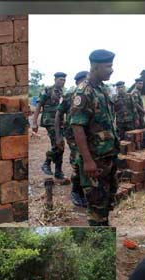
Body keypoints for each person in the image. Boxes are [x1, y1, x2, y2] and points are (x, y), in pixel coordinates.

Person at [70, 49, 119, 226]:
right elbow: (77, 127)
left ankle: (103, 227)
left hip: (107, 157)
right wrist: (88, 161)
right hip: (95, 160)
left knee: (105, 203)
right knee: (96, 206)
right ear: (96, 67)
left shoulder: (102, 89)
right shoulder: (84, 92)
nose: (112, 70)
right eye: (108, 66)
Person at [55, 70, 88, 207]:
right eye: (84, 80)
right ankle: (76, 191)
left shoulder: (90, 94)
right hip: (72, 134)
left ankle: (83, 189)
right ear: (77, 81)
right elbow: (58, 114)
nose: (86, 82)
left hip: (86, 134)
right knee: (78, 161)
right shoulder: (69, 95)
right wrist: (58, 136)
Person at [32, 72, 67, 179]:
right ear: (55, 79)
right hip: (50, 121)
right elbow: (38, 105)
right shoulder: (47, 91)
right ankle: (46, 163)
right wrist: (34, 122)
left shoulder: (62, 92)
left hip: (59, 122)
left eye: (64, 80)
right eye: (61, 79)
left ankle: (58, 171)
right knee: (58, 144)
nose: (63, 82)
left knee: (60, 145)